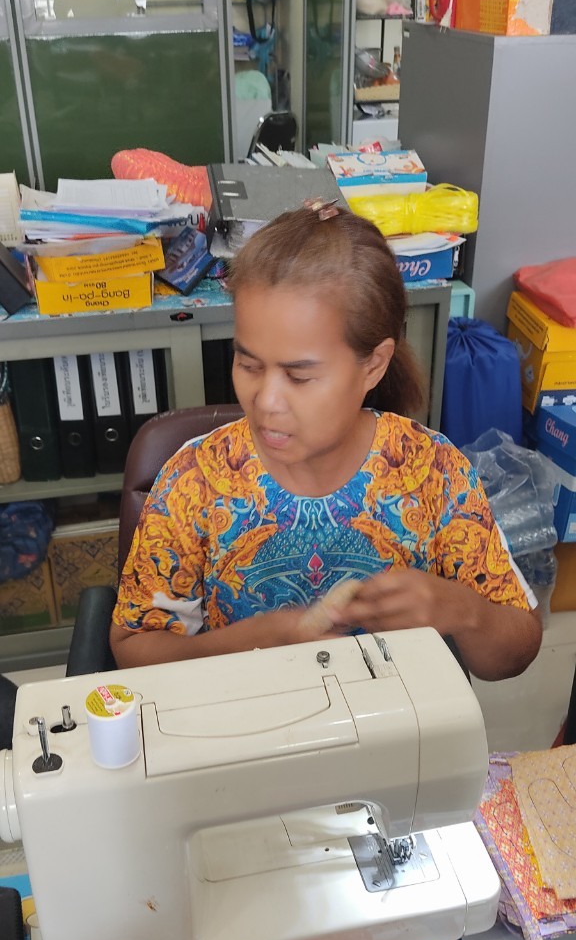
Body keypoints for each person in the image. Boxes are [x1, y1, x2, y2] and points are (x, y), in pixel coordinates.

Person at [110, 203, 542, 681]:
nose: (265, 401)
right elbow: (132, 650)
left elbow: (516, 651)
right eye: (249, 365)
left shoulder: (435, 473)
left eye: (299, 376)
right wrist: (254, 642)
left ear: (373, 365)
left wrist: (464, 611)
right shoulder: (195, 480)